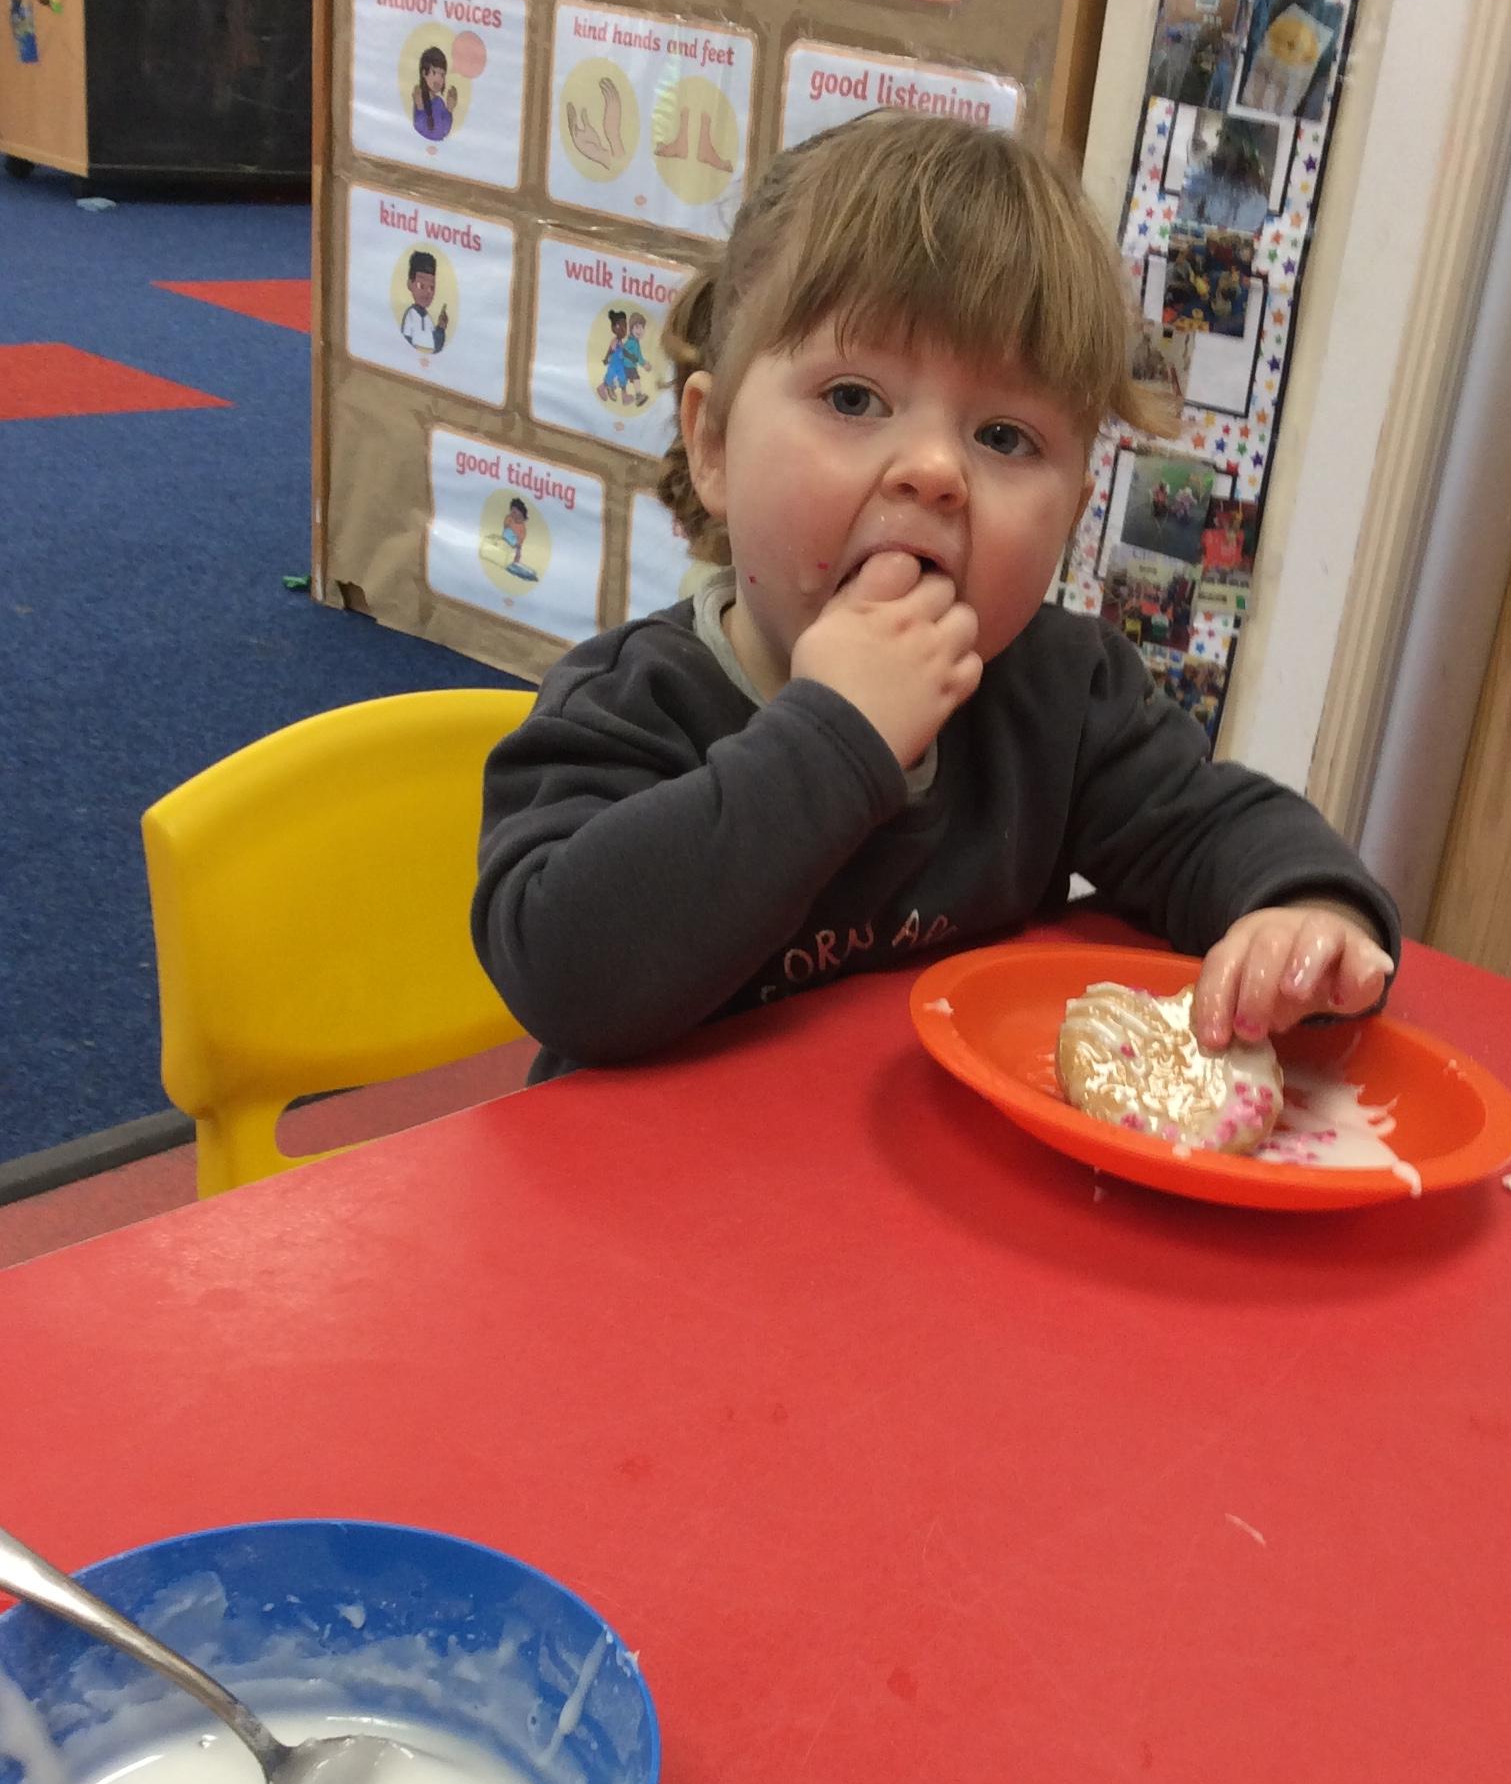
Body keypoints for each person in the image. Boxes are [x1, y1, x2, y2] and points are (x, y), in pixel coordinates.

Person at [474, 112, 1399, 1080]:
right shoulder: (630, 703)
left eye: (1004, 438)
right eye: (853, 399)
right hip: (652, 1173)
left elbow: (1208, 825)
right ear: (713, 445)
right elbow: (563, 971)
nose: (934, 470)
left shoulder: (1062, 694)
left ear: (1074, 512)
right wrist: (833, 737)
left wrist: (1302, 912)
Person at [398, 250, 448, 354]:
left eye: (431, 288)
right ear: (410, 284)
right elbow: (406, 341)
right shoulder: (411, 315)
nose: (427, 293)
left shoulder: (427, 318)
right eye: (421, 286)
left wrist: (441, 328)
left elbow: (436, 346)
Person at [412, 44, 456, 142]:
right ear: (424, 73)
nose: (438, 80)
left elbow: (445, 131)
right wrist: (420, 107)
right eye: (434, 73)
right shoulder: (420, 98)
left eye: (442, 75)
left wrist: (449, 109)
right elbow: (419, 128)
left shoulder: (439, 102)